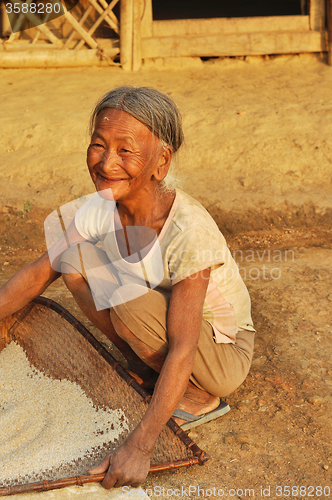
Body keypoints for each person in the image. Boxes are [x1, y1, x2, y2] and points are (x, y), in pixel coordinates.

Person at [0, 86, 255, 489]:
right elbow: (37, 272)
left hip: (222, 353)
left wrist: (140, 446)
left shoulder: (189, 230)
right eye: (99, 145)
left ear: (161, 162)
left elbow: (185, 344)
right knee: (74, 261)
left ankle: (197, 398)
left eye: (125, 151)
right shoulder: (99, 208)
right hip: (164, 325)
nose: (106, 162)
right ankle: (147, 369)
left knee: (129, 304)